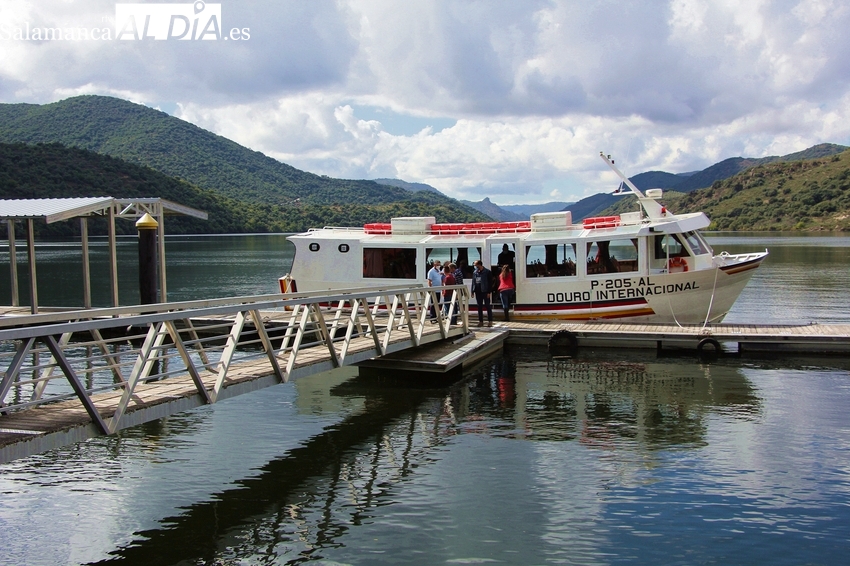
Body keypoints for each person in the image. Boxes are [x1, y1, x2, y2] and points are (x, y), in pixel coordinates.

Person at [470, 260, 493, 327]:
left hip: (485, 291)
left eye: (476, 265)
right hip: (478, 292)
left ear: (479, 265)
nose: (475, 267)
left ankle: (490, 321)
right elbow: (473, 282)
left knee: (487, 306)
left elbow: (490, 282)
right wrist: (472, 291)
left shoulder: (487, 272)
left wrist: (489, 292)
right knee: (479, 306)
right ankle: (481, 321)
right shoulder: (475, 272)